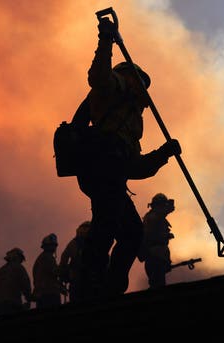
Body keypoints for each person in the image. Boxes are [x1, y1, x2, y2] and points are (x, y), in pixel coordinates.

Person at [74, 16, 182, 300]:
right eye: (143, 85)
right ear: (133, 79)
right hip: (100, 164)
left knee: (132, 233)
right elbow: (98, 76)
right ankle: (90, 285)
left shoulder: (131, 120)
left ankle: (109, 286)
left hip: (113, 171)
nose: (146, 95)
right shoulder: (114, 89)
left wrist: (163, 154)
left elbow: (135, 168)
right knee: (106, 224)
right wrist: (106, 39)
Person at [138, 193, 175, 288]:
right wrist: (165, 236)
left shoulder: (154, 217)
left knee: (158, 284)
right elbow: (152, 237)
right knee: (158, 286)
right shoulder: (154, 218)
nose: (165, 208)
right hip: (155, 257)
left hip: (155, 257)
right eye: (163, 205)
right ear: (158, 206)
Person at [0, 247, 33, 317]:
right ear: (16, 257)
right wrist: (29, 299)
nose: (21, 261)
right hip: (13, 305)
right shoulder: (19, 268)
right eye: (20, 259)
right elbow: (26, 285)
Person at [58, 221, 91, 303]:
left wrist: (63, 275)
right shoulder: (95, 242)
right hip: (90, 280)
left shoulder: (73, 243)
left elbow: (63, 260)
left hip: (77, 281)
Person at [32, 233, 64, 309]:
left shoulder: (40, 259)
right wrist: (64, 270)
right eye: (53, 245)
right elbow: (55, 272)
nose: (54, 248)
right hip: (50, 294)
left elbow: (48, 276)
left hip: (40, 295)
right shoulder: (48, 257)